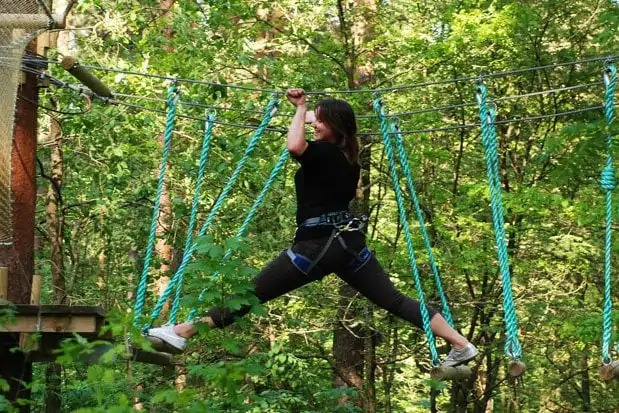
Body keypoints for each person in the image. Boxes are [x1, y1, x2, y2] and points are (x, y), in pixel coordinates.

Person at [147, 89, 478, 367]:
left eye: (319, 121)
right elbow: (314, 132)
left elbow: (295, 146)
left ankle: (181, 333)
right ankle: (461, 344)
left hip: (316, 246)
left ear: (332, 126)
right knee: (395, 300)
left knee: (249, 295)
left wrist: (303, 108)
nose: (312, 125)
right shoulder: (347, 158)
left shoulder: (323, 153)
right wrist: (306, 111)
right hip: (348, 246)